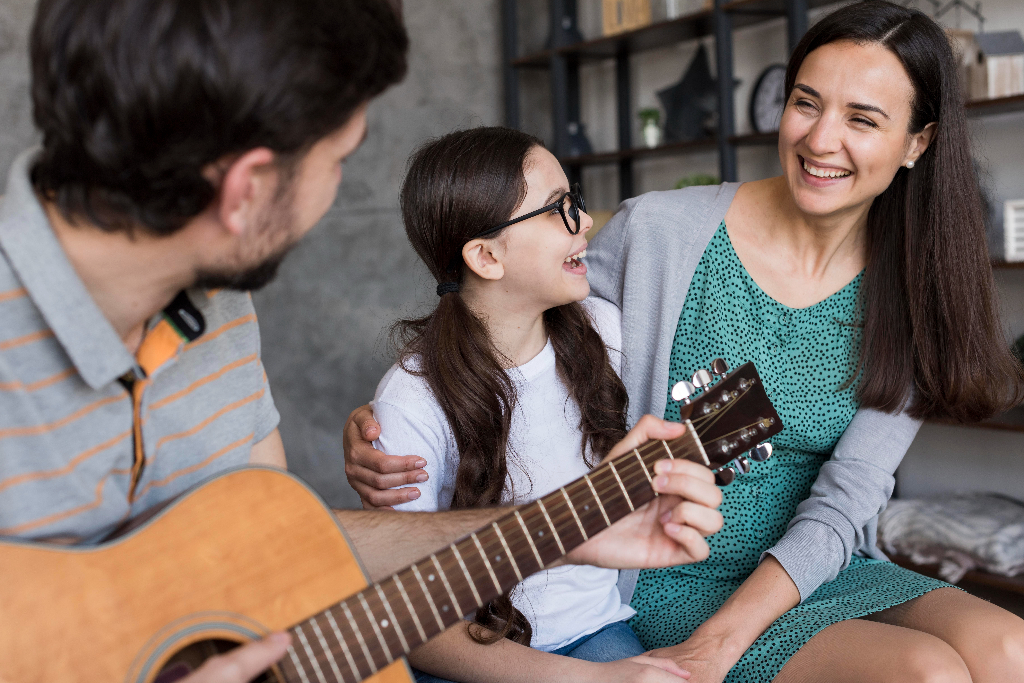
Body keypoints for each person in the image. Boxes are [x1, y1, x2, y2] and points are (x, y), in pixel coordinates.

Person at [0, 1, 727, 682]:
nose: (334, 194)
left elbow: (279, 554)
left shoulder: (215, 308)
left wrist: (556, 527)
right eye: (338, 159)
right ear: (247, 189)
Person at [344, 2, 1024, 682]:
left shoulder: (915, 288)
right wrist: (402, 413)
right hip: (670, 567)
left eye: (862, 118)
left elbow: (849, 497)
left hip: (812, 562)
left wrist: (730, 636)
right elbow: (514, 320)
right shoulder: (660, 235)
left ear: (918, 142)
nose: (820, 139)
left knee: (1009, 648)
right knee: (926, 672)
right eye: (805, 103)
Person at [368, 127, 715, 683]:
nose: (585, 223)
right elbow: (411, 624)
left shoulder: (605, 331)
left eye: (574, 200)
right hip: (473, 657)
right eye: (558, 210)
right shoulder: (411, 399)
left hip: (594, 631)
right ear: (486, 256)